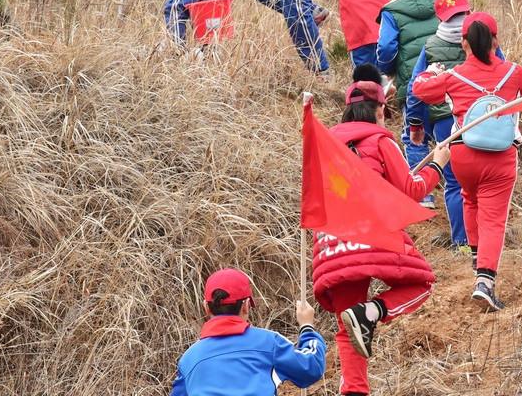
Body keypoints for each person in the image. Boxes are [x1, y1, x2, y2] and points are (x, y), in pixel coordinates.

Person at [312, 81, 447, 396]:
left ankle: (354, 391)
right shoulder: (381, 140)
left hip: (332, 240)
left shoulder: (325, 145)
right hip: (373, 234)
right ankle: (373, 312)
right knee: (421, 283)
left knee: (348, 327)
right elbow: (411, 190)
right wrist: (438, 166)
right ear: (379, 109)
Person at [411, 12, 522, 311]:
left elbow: (420, 89)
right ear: (495, 41)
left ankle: (477, 259)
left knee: (469, 200)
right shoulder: (513, 72)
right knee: (494, 219)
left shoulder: (454, 75)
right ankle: (484, 282)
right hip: (500, 157)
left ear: (464, 44)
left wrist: (430, 72)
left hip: (463, 156)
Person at [170, 267, 325, 396]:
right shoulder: (269, 343)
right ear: (246, 306)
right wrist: (306, 326)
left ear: (206, 307)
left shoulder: (188, 359)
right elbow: (311, 367)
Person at [402, 0, 474, 249]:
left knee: (454, 183)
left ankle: (461, 243)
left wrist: (416, 123)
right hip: (481, 119)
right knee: (481, 183)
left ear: (440, 18)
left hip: (444, 121)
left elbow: (414, 89)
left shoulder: (430, 46)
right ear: (468, 11)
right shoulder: (483, 40)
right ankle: (483, 241)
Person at [375, 0, 438, 194]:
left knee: (414, 136)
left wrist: (388, 71)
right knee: (447, 134)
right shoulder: (440, 2)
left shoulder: (391, 12)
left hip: (413, 86)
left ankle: (424, 194)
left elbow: (386, 49)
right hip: (449, 82)